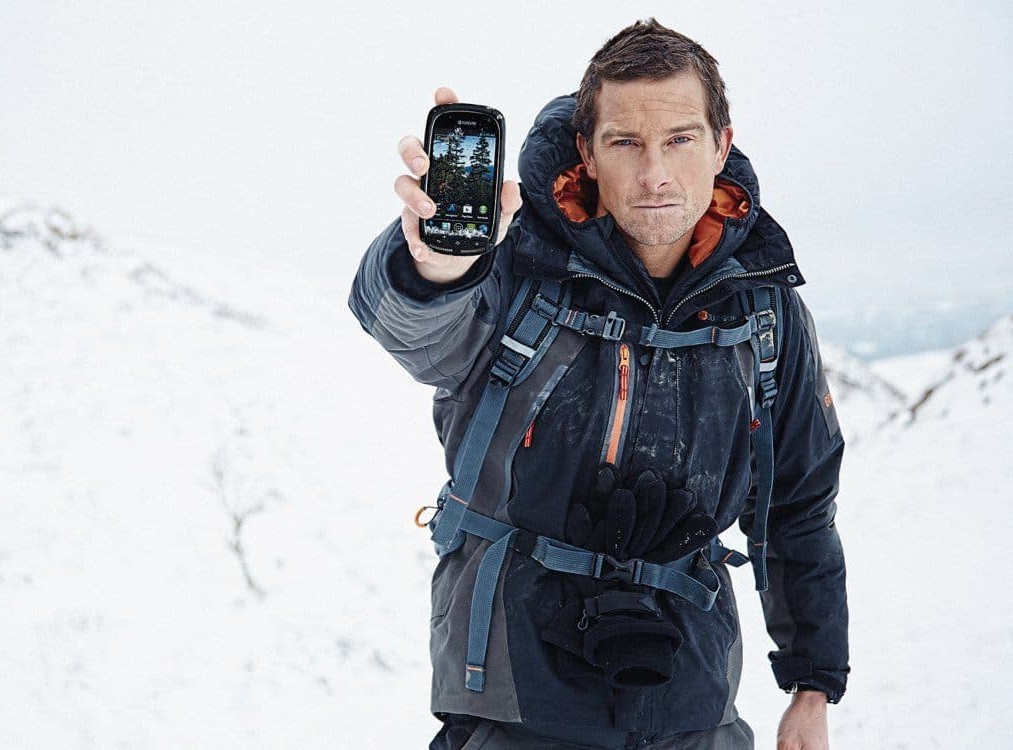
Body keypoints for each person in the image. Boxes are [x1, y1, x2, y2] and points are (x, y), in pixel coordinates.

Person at [348, 18, 848, 750]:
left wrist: (813, 683)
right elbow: (412, 329)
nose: (655, 174)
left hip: (693, 691)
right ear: (586, 151)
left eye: (680, 139)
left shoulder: (763, 308)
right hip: (513, 694)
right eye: (625, 143)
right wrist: (436, 266)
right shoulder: (515, 266)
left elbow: (799, 502)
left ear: (721, 145)